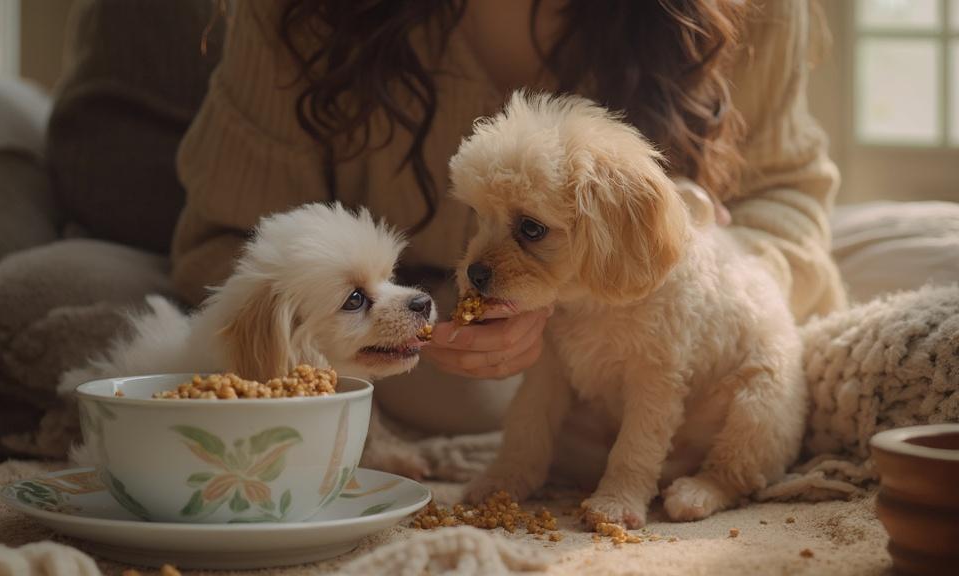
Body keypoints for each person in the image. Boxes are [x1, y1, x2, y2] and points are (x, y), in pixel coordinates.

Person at [171, 0, 846, 438]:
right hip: (380, 331)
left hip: (683, 298)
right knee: (75, 282)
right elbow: (221, 249)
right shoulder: (296, 18)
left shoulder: (752, 14)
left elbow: (789, 201)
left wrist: (687, 241)